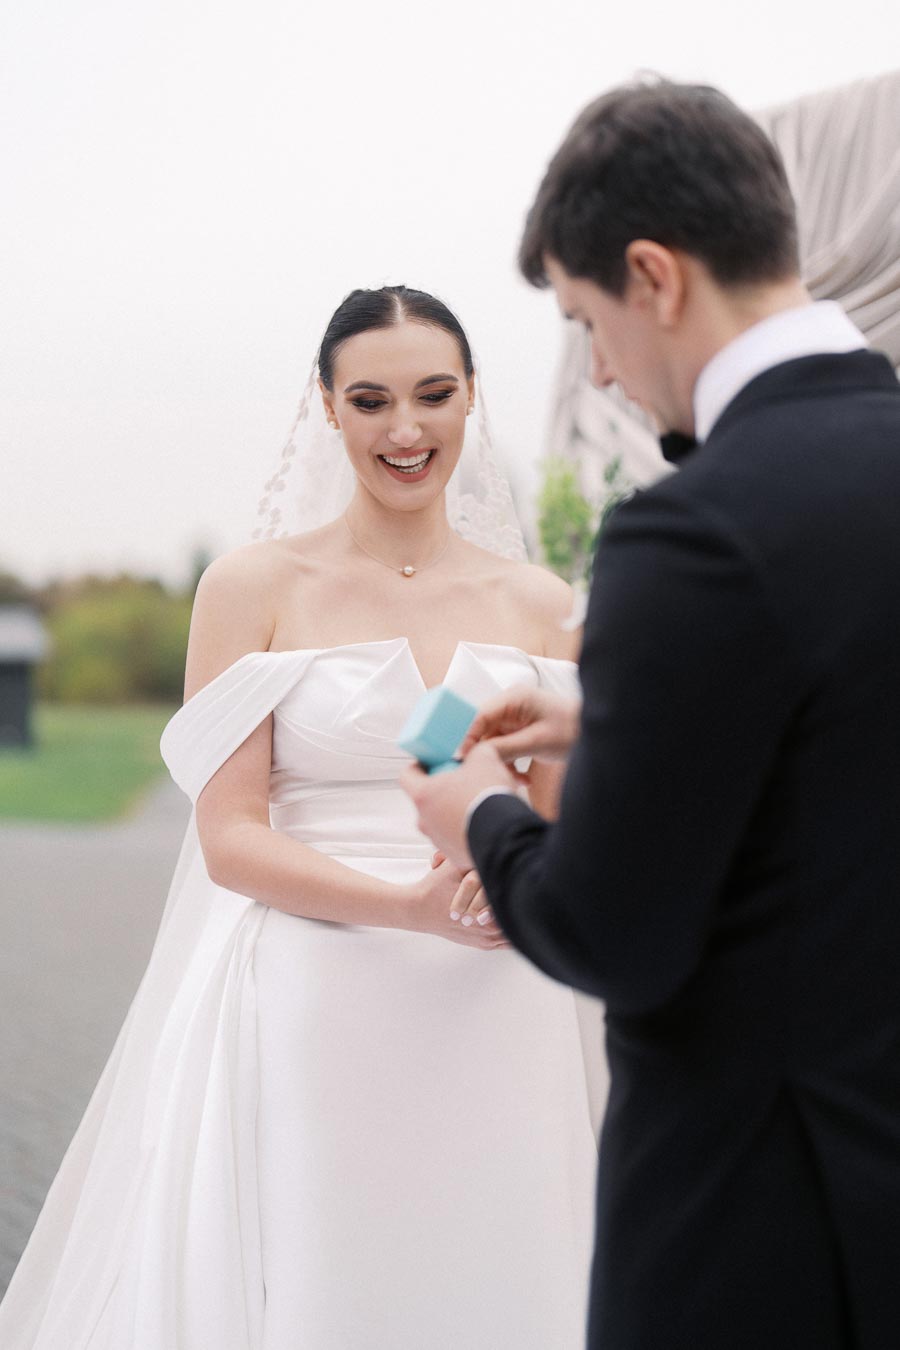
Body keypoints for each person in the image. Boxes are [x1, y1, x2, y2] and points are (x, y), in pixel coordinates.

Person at [0, 286, 605, 1349]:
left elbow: (557, 827)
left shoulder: (543, 602)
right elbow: (229, 836)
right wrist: (404, 908)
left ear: (473, 401)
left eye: (433, 395)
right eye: (370, 399)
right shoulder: (253, 587)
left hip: (500, 988)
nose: (405, 429)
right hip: (314, 987)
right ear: (327, 408)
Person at [402, 81, 900, 1350]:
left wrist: (484, 818)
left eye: (588, 324)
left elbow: (609, 932)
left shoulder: (696, 530)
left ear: (653, 276)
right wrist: (612, 719)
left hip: (763, 1219)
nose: (606, 372)